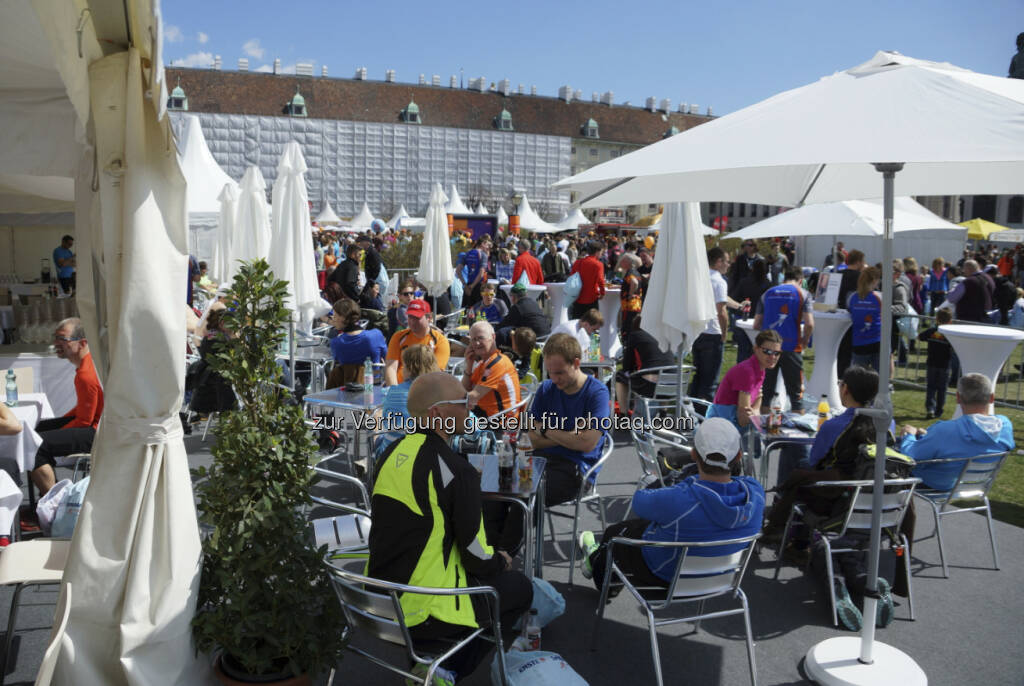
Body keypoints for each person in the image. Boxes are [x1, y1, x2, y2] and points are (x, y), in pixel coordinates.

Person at [367, 372, 532, 684]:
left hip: (378, 602)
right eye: (462, 402)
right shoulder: (458, 471)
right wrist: (502, 560)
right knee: (521, 588)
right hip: (426, 612)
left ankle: (429, 660)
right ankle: (442, 668)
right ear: (437, 414)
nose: (470, 408)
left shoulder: (389, 454)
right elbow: (475, 558)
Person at [577, 417, 764, 591]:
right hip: (722, 578)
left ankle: (600, 572)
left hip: (667, 577)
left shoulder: (680, 498)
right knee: (650, 526)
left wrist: (663, 479)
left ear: (693, 454)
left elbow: (640, 501)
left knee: (614, 534)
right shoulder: (756, 493)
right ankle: (597, 559)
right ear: (739, 456)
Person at [525, 333, 609, 508]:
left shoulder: (597, 393)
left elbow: (586, 444)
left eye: (560, 373)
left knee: (527, 497)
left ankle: (516, 535)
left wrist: (545, 430)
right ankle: (505, 536)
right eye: (550, 373)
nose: (554, 379)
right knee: (495, 491)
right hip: (540, 461)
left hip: (577, 470)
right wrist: (570, 436)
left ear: (576, 363)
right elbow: (531, 439)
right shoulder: (546, 388)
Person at [899, 373, 1014, 491]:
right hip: (975, 486)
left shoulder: (945, 430)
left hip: (933, 485)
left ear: (958, 398)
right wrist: (927, 436)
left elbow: (910, 456)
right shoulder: (1004, 425)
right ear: (992, 398)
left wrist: (910, 435)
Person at [31, 318, 104, 496]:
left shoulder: (86, 375)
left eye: (62, 339)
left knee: (34, 444)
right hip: (99, 425)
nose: (56, 343)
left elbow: (84, 421)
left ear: (83, 343)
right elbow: (82, 410)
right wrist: (58, 426)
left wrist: (59, 430)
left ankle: (53, 501)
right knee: (34, 430)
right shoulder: (88, 365)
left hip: (97, 432)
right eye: (55, 337)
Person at [753, 266, 814, 410]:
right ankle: (797, 428)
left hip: (767, 348)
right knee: (796, 395)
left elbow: (756, 324)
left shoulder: (767, 293)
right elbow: (810, 324)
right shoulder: (803, 294)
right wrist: (805, 340)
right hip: (791, 346)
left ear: (784, 278)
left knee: (765, 394)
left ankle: (764, 427)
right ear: (800, 280)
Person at [707, 330, 782, 430]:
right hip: (722, 429)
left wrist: (755, 411)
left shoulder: (760, 369)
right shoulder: (747, 372)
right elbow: (743, 420)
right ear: (756, 349)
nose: (772, 357)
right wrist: (756, 412)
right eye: (767, 351)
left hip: (731, 425)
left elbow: (757, 401)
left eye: (776, 353)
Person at [377, 344, 439, 457]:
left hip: (392, 454)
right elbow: (470, 424)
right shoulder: (442, 393)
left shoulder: (394, 392)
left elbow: (386, 422)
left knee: (376, 433)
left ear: (410, 368)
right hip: (429, 455)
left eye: (403, 366)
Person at [688, 247, 730, 401]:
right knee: (710, 381)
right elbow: (722, 311)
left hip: (697, 331)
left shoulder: (699, 278)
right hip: (712, 333)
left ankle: (690, 411)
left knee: (699, 376)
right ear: (718, 262)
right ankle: (704, 417)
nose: (729, 265)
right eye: (727, 261)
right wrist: (724, 334)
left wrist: (737, 305)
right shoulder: (719, 281)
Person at [461, 321, 521, 418]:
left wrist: (446, 398)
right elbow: (465, 388)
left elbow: (472, 396)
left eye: (481, 338)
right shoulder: (483, 363)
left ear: (493, 337)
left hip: (502, 422)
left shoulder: (498, 363)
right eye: (473, 339)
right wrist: (469, 365)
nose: (476, 343)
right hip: (487, 414)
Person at [615, 316, 676, 412]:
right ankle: (663, 413)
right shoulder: (664, 336)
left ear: (635, 326)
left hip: (650, 386)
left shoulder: (635, 335)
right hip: (674, 386)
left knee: (619, 376)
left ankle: (623, 415)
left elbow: (626, 366)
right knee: (664, 373)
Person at [385, 299, 450, 385]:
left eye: (417, 318)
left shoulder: (440, 341)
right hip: (399, 388)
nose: (412, 321)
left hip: (425, 389)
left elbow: (435, 373)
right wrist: (394, 391)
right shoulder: (398, 337)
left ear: (429, 318)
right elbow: (391, 368)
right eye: (410, 317)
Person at [328, 298, 387, 383]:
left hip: (349, 389)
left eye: (334, 315)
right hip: (373, 386)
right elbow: (387, 358)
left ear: (343, 318)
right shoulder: (376, 335)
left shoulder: (336, 343)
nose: (332, 319)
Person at [917, 309, 954, 419]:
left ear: (937, 319)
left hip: (931, 363)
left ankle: (930, 409)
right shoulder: (950, 335)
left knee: (931, 387)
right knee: (942, 388)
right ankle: (939, 410)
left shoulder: (932, 331)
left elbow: (920, 336)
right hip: (945, 364)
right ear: (950, 321)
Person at [847, 266, 884, 372]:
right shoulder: (880, 297)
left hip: (859, 341)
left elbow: (850, 311)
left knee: (858, 377)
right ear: (874, 280)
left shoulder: (852, 297)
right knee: (879, 376)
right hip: (877, 340)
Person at [569, 240, 606, 319]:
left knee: (577, 322)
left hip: (577, 297)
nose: (602, 254)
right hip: (591, 297)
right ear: (597, 252)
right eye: (601, 252)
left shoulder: (577, 262)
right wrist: (602, 292)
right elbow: (600, 280)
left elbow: (571, 277)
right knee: (591, 323)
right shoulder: (598, 264)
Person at [618, 254, 644, 335]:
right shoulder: (636, 272)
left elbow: (634, 283)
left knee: (627, 327)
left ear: (627, 262)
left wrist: (630, 294)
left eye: (622, 262)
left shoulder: (630, 272)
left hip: (629, 305)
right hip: (636, 305)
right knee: (632, 326)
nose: (620, 263)